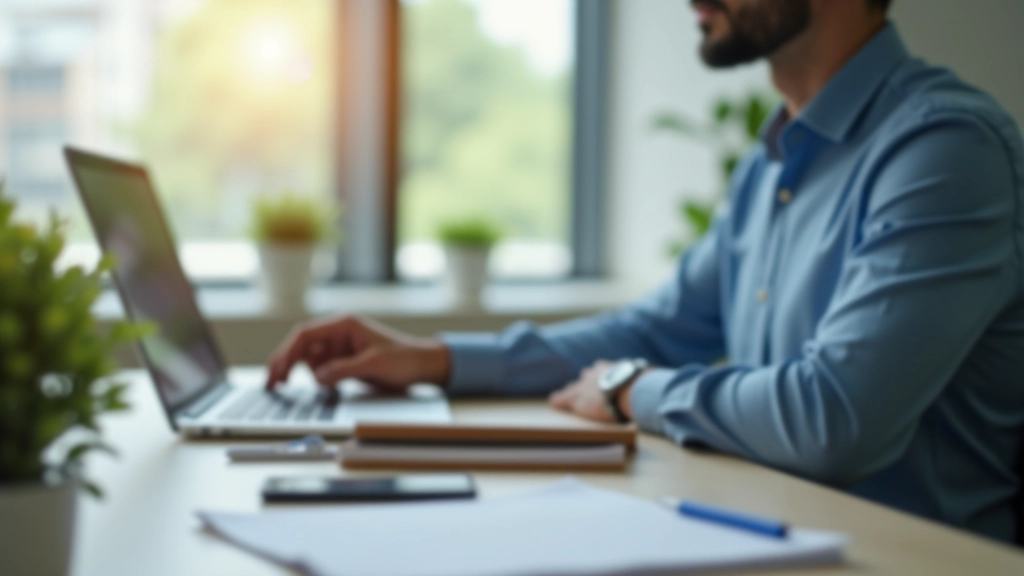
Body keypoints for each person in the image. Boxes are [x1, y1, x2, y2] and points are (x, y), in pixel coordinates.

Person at [266, 0, 1024, 542]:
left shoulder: (943, 148)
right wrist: (435, 358)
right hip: (779, 539)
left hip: (915, 558)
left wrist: (631, 388)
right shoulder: (771, 166)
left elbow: (833, 421)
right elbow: (660, 327)